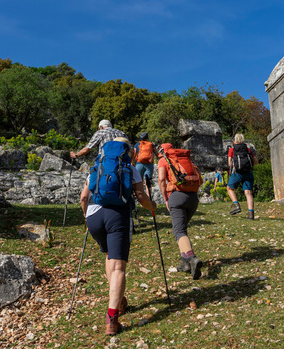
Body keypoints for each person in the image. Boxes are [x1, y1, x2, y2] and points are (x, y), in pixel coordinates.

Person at [80, 137, 157, 335]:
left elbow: (83, 197)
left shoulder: (97, 166)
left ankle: (119, 299)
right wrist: (152, 207)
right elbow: (141, 197)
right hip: (118, 216)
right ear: (129, 151)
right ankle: (112, 319)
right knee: (119, 267)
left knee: (108, 256)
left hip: (94, 216)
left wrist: (86, 218)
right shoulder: (130, 169)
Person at [157, 143, 203, 280]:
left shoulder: (163, 160)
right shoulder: (184, 158)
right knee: (182, 229)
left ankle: (192, 258)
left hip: (176, 197)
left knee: (179, 231)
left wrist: (165, 198)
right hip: (193, 198)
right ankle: (184, 262)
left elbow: (161, 179)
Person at [227, 133, 258, 219]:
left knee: (229, 188)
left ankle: (236, 205)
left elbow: (230, 164)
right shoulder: (247, 149)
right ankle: (251, 214)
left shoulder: (232, 150)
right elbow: (256, 161)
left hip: (237, 173)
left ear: (235, 140)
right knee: (248, 193)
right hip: (248, 173)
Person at [132, 132, 155, 199]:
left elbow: (134, 155)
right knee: (148, 183)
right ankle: (149, 199)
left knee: (139, 183)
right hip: (149, 165)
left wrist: (132, 163)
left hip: (139, 164)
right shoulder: (151, 144)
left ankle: (141, 199)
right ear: (147, 138)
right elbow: (156, 153)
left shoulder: (137, 144)